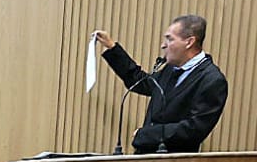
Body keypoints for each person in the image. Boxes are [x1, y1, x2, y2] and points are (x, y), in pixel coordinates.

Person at [93, 14, 228, 153]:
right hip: (146, 158)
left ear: (189, 42)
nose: (163, 45)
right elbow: (141, 82)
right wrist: (112, 47)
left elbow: (194, 129)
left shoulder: (212, 80)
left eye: (170, 39)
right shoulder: (171, 68)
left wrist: (147, 135)